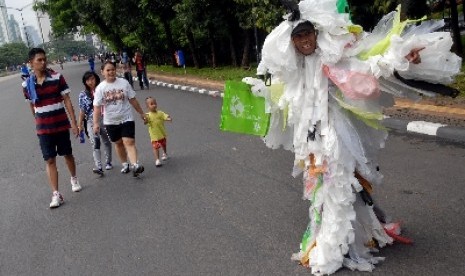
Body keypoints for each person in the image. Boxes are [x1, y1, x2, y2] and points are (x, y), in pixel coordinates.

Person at [241, 1, 462, 275]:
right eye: (298, 36)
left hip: (336, 133)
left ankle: (332, 248)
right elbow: (285, 96)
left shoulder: (333, 57)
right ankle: (363, 229)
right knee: (325, 187)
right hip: (312, 138)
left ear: (316, 33)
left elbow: (368, 66)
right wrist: (260, 89)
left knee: (337, 184)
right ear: (292, 42)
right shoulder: (295, 68)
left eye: (307, 33)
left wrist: (402, 58)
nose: (304, 40)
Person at [22, 48, 82, 208]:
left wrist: (74, 124)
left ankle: (74, 178)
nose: (43, 62)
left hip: (61, 125)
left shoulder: (57, 77)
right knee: (49, 159)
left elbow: (67, 100)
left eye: (44, 59)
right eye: (39, 60)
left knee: (67, 154)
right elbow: (31, 105)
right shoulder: (27, 83)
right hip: (43, 129)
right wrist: (38, 120)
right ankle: (56, 193)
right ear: (31, 63)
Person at [93, 61, 146, 177]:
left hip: (126, 117)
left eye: (112, 69)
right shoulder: (100, 88)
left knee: (129, 141)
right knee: (118, 143)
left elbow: (132, 99)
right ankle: (125, 164)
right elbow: (97, 107)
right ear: (102, 72)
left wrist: (141, 113)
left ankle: (135, 165)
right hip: (110, 121)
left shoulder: (124, 83)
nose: (111, 72)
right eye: (108, 70)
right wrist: (96, 123)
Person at [78, 71, 113, 175]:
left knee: (106, 141)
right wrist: (80, 125)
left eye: (92, 79)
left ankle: (108, 162)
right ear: (85, 82)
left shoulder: (103, 90)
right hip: (90, 120)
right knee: (95, 142)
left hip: (105, 118)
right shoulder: (82, 95)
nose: (90, 82)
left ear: (96, 79)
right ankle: (98, 166)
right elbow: (82, 111)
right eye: (88, 80)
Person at [144, 97, 172, 167]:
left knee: (163, 145)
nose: (154, 105)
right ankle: (157, 160)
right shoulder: (148, 115)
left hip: (162, 134)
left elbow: (165, 116)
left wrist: (168, 118)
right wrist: (145, 120)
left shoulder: (160, 113)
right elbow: (145, 122)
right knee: (155, 147)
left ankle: (165, 153)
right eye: (151, 104)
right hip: (154, 136)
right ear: (147, 106)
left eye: (155, 103)